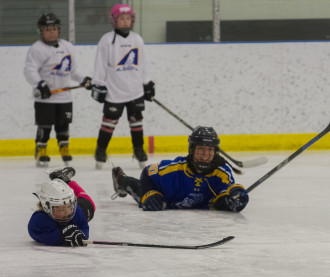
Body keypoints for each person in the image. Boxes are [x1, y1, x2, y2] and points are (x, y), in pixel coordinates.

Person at [111, 126, 249, 212]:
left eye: (209, 150)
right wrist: (151, 194)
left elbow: (225, 197)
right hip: (164, 198)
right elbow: (147, 173)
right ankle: (120, 179)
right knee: (137, 188)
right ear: (192, 150)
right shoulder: (174, 168)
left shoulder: (221, 173)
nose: (205, 155)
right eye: (200, 149)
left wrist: (235, 199)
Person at [91, 4, 155, 169]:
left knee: (136, 122)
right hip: (114, 91)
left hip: (135, 90)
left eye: (128, 18)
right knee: (109, 123)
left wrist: (147, 83)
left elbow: (142, 65)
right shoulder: (106, 40)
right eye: (121, 19)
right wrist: (98, 84)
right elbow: (100, 65)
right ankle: (101, 149)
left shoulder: (137, 39)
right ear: (114, 21)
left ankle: (139, 149)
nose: (125, 22)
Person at [24, 13, 92, 168]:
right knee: (45, 126)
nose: (51, 32)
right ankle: (41, 149)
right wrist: (40, 84)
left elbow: (72, 71)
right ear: (41, 31)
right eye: (47, 29)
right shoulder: (37, 49)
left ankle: (64, 148)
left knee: (63, 125)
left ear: (59, 30)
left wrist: (83, 80)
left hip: (64, 97)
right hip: (45, 98)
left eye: (54, 28)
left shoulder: (68, 47)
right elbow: (30, 70)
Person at [28, 167, 96, 247]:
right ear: (47, 208)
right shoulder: (39, 220)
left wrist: (81, 235)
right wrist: (61, 236)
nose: (67, 212)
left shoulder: (76, 211)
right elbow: (40, 235)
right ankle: (64, 181)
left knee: (89, 204)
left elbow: (84, 227)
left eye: (69, 207)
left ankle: (66, 181)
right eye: (61, 209)